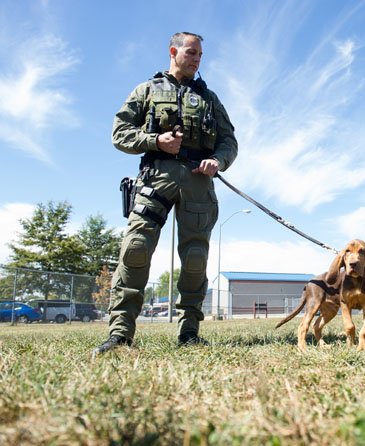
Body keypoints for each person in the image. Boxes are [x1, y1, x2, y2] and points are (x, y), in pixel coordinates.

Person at [93, 32, 238, 355]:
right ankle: (120, 335)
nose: (197, 58)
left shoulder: (210, 99)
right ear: (173, 51)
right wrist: (155, 141)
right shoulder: (146, 90)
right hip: (156, 177)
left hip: (198, 181)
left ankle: (189, 331)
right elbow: (119, 132)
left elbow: (229, 141)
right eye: (191, 52)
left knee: (196, 259)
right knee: (136, 248)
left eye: (200, 54)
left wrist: (218, 159)